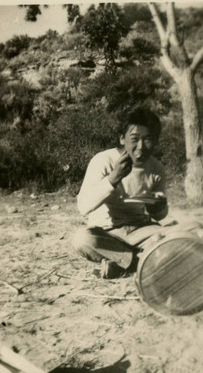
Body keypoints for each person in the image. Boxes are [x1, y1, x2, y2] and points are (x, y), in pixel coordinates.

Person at [72, 107, 168, 278]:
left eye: (148, 140)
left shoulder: (156, 168)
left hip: (141, 230)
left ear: (155, 141)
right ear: (122, 139)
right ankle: (139, 262)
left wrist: (159, 207)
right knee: (82, 240)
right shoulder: (103, 161)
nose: (141, 147)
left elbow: (159, 216)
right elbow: (83, 207)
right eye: (134, 139)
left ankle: (122, 264)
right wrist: (113, 178)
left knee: (176, 235)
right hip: (107, 232)